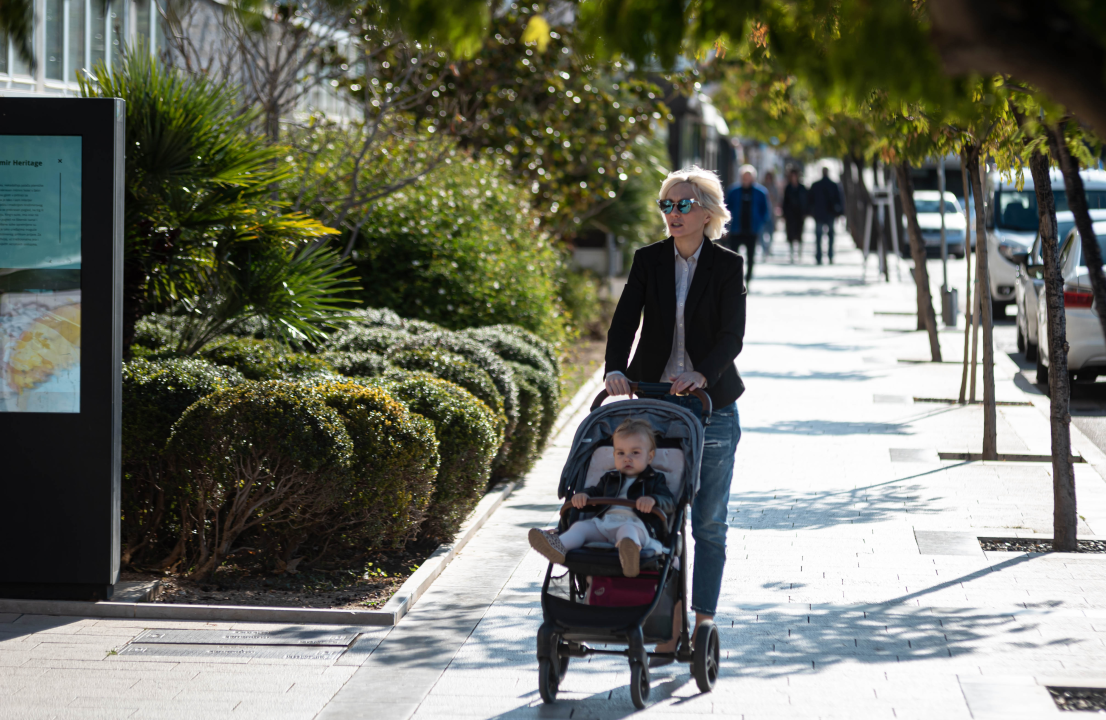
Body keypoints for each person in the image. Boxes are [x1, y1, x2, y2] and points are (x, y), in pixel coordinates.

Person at [604, 165, 745, 661]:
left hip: (713, 407)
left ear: (706, 212)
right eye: (667, 205)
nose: (673, 214)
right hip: (655, 403)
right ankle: (667, 624)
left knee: (708, 522)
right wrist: (614, 370)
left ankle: (702, 621)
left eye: (684, 205)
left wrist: (703, 373)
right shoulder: (648, 260)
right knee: (658, 514)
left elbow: (732, 336)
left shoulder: (728, 266)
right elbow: (625, 320)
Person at [528, 418, 675, 578]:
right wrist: (584, 496)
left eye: (635, 453)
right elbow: (595, 493)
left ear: (650, 457)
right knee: (581, 527)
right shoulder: (609, 478)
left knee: (628, 531)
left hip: (638, 526)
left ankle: (630, 554)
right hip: (605, 525)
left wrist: (654, 500)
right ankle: (558, 546)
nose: (627, 458)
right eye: (621, 453)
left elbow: (669, 501)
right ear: (614, 455)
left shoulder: (654, 479)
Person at [724, 164, 769, 282]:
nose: (746, 179)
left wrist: (759, 223)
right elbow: (725, 209)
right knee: (733, 257)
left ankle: (748, 279)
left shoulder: (761, 192)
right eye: (744, 177)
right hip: (736, 229)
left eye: (748, 177)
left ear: (753, 178)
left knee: (750, 257)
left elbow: (765, 211)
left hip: (752, 230)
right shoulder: (733, 191)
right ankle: (735, 279)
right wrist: (725, 227)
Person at [808, 167, 844, 265]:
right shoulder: (833, 185)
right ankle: (829, 256)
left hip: (820, 214)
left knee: (820, 236)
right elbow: (839, 200)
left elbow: (809, 200)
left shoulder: (816, 185)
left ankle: (820, 257)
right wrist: (840, 213)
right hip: (829, 214)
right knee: (829, 236)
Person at [782, 168, 808, 264]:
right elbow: (785, 201)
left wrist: (806, 212)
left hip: (800, 214)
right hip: (790, 215)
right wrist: (784, 214)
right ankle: (792, 254)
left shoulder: (802, 188)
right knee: (790, 234)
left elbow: (806, 201)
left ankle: (800, 253)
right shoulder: (788, 188)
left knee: (799, 233)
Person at [761, 169, 780, 260]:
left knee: (771, 232)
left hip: (772, 213)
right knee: (761, 232)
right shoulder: (761, 187)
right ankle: (764, 249)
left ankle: (769, 248)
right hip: (763, 213)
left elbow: (777, 199)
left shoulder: (774, 187)